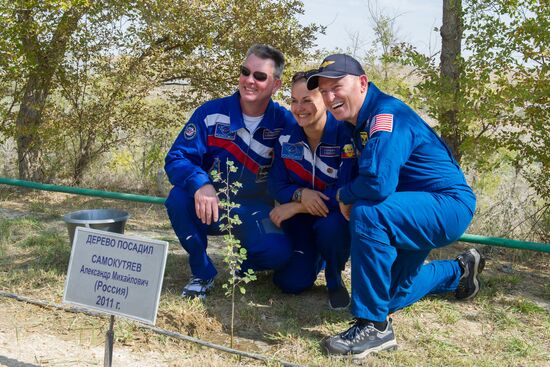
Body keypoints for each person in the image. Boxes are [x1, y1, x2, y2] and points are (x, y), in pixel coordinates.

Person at [306, 54, 485, 359]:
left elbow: (377, 184)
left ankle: (374, 328)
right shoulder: (356, 122)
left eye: (336, 86)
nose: (330, 96)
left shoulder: (385, 115)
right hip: (409, 209)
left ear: (362, 83)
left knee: (368, 212)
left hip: (446, 205)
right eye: (323, 91)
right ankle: (458, 271)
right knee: (388, 295)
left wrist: (343, 195)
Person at [164, 44, 296, 300]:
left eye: (259, 76)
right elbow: (177, 157)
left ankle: (244, 264)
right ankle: (202, 273)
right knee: (178, 199)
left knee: (278, 253)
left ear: (276, 85)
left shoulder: (285, 122)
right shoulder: (210, 113)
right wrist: (201, 183)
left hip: (255, 209)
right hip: (211, 205)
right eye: (245, 71)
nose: (249, 80)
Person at [267, 71, 357, 309]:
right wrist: (299, 196)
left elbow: (347, 186)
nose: (299, 108)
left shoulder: (345, 135)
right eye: (294, 101)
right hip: (300, 221)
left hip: (334, 216)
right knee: (290, 283)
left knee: (332, 227)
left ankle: (334, 280)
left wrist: (298, 203)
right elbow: (277, 184)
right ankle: (315, 259)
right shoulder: (286, 138)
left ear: (325, 101)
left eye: (307, 100)